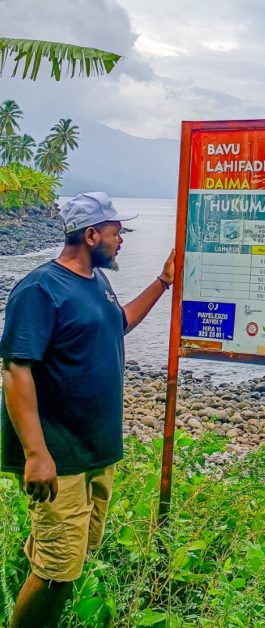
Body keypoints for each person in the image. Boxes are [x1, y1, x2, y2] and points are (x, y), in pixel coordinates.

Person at [0, 192, 175, 627]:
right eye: (117, 232)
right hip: (61, 457)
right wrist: (37, 456)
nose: (122, 240)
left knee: (66, 557)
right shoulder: (41, 289)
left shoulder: (96, 282)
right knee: (58, 572)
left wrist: (163, 281)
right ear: (91, 234)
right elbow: (15, 371)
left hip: (96, 451)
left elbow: (120, 323)